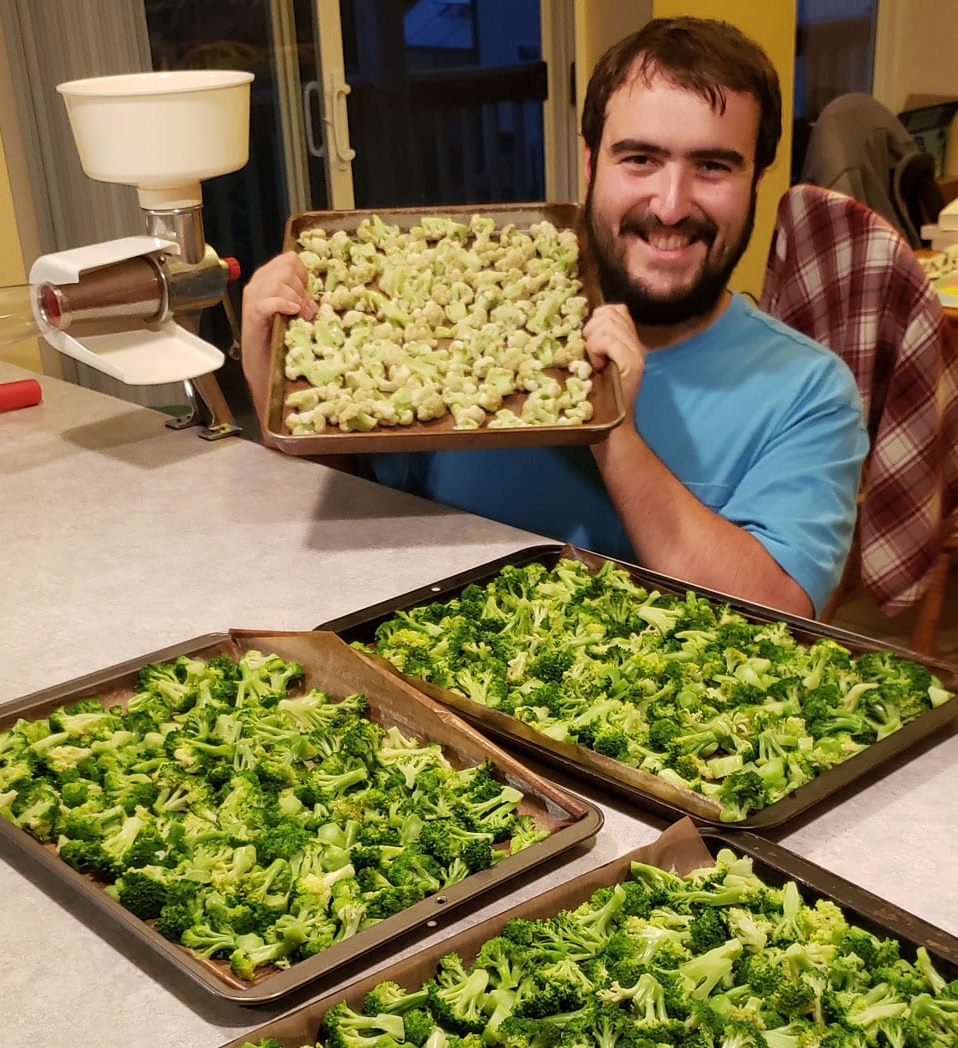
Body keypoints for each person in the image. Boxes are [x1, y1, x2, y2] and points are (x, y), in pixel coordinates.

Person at [241, 16, 868, 618]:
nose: (671, 206)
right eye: (639, 159)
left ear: (757, 178)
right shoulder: (457, 312)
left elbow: (777, 616)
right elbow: (352, 503)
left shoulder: (807, 393)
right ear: (591, 163)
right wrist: (276, 372)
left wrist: (610, 427)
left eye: (712, 166)